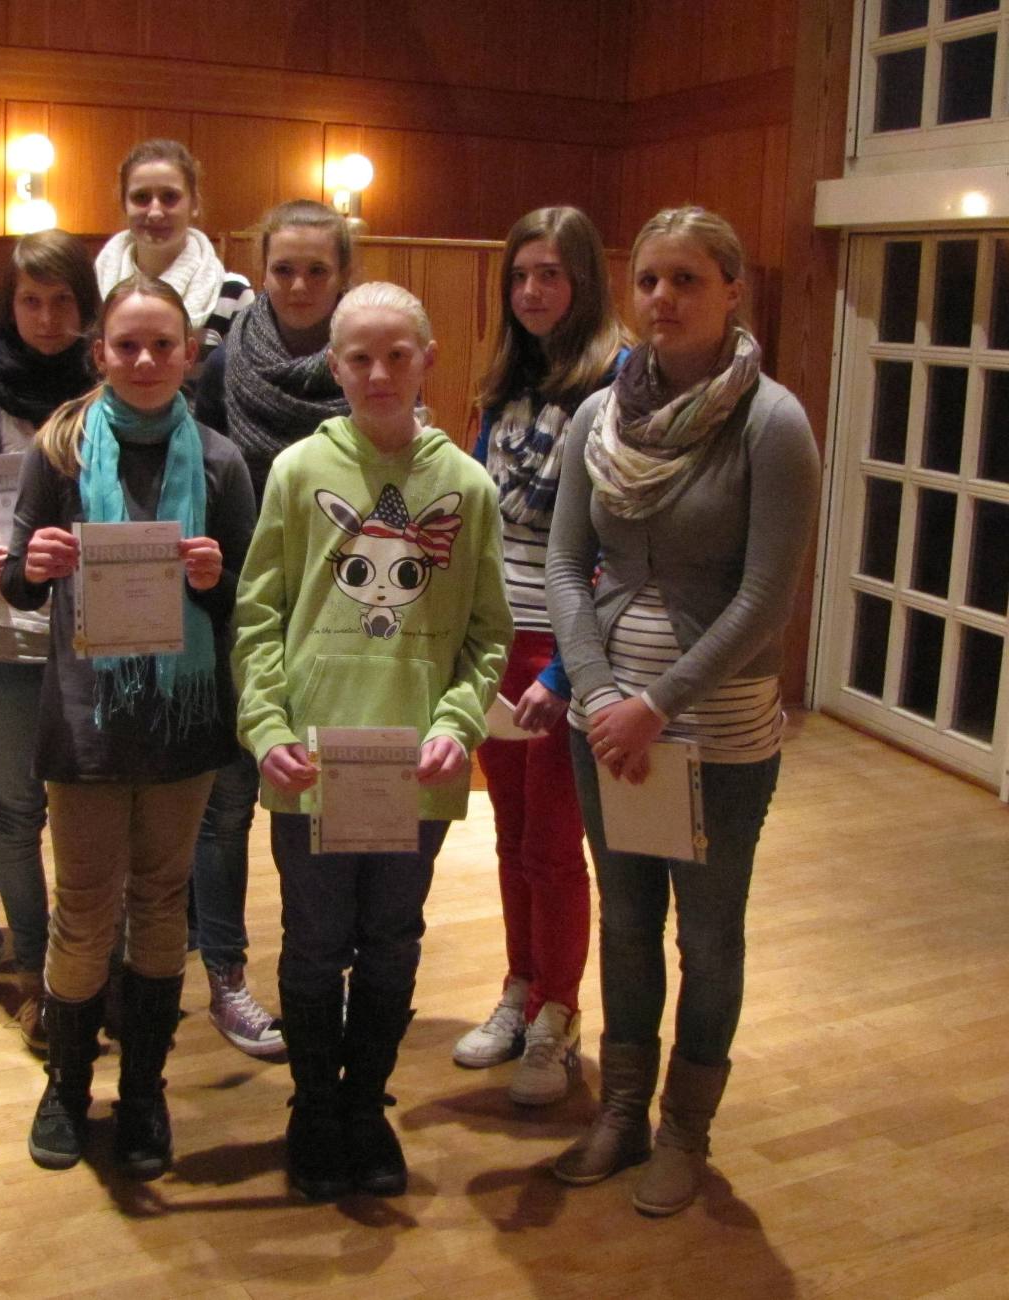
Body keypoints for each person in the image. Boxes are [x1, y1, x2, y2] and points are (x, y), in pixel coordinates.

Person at [545, 206, 820, 1216]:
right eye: (650, 279)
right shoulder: (597, 417)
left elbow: (766, 599)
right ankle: (620, 1110)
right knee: (624, 921)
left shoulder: (772, 424)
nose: (663, 298)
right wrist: (599, 694)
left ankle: (684, 1129)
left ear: (733, 291)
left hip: (716, 731)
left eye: (688, 279)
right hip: (609, 726)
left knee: (707, 936)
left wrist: (656, 705)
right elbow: (567, 564)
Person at [232, 281, 511, 1200]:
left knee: (392, 939)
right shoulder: (296, 472)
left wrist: (457, 722)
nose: (379, 373)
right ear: (335, 366)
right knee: (314, 943)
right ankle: (314, 1108)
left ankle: (365, 1106)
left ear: (429, 358)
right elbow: (258, 615)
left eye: (398, 355)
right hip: (312, 763)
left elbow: (487, 634)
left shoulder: (466, 486)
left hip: (414, 770)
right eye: (360, 357)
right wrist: (266, 724)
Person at [0, 275, 255, 1178]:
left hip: (184, 720)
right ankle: (67, 1088)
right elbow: (16, 583)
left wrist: (215, 579)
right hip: (88, 721)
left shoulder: (221, 462)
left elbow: (248, 601)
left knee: (160, 905)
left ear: (190, 355)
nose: (145, 360)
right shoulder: (60, 451)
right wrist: (34, 564)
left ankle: (144, 1091)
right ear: (99, 354)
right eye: (126, 345)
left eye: (162, 345)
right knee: (83, 910)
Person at [452, 208, 631, 1107]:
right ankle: (521, 989)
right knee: (511, 836)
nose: (532, 291)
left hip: (568, 649)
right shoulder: (504, 385)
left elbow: (616, 541)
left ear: (584, 281)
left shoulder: (619, 381)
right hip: (496, 641)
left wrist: (567, 670)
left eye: (551, 274)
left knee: (557, 847)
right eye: (520, 275)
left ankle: (559, 1013)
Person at [188, 198, 354, 1059]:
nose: (297, 284)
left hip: (337, 620)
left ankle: (318, 974)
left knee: (317, 807)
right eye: (282, 268)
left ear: (342, 276)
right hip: (236, 610)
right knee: (226, 808)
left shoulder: (364, 361)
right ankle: (226, 976)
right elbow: (200, 481)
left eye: (316, 270)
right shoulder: (222, 367)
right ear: (261, 269)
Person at [0, 231, 100, 1050]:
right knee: (14, 811)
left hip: (95, 642)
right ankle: (34, 969)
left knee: (92, 815)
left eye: (62, 301)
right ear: (9, 308)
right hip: (3, 637)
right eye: (31, 301)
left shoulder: (111, 402)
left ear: (86, 309)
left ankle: (88, 968)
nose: (46, 317)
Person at [95, 139, 253, 367]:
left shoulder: (233, 293)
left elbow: (242, 382)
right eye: (141, 198)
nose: (155, 212)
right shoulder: (94, 287)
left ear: (194, 204)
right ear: (124, 205)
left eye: (169, 197)